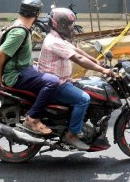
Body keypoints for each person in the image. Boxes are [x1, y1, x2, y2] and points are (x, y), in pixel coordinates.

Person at [37, 8, 115, 151]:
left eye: (71, 24)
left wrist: (95, 61)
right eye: (68, 24)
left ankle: (78, 124)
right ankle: (72, 135)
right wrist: (103, 70)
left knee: (85, 87)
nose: (71, 27)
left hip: (62, 80)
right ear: (58, 25)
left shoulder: (58, 37)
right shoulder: (54, 41)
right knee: (84, 99)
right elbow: (77, 58)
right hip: (56, 85)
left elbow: (76, 50)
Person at [0, 0, 60, 135]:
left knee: (51, 74)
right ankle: (32, 118)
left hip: (22, 68)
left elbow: (18, 53)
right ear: (37, 14)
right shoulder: (19, 32)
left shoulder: (19, 25)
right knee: (53, 81)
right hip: (16, 75)